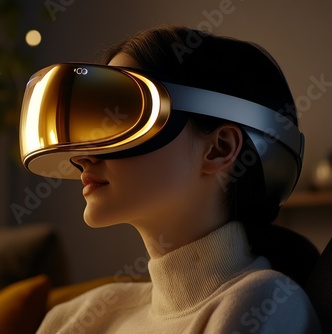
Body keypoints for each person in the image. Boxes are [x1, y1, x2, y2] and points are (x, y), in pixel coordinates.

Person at [19, 25, 323, 333]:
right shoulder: (73, 317)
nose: (81, 157)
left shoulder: (264, 303)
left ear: (220, 149)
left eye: (120, 118)